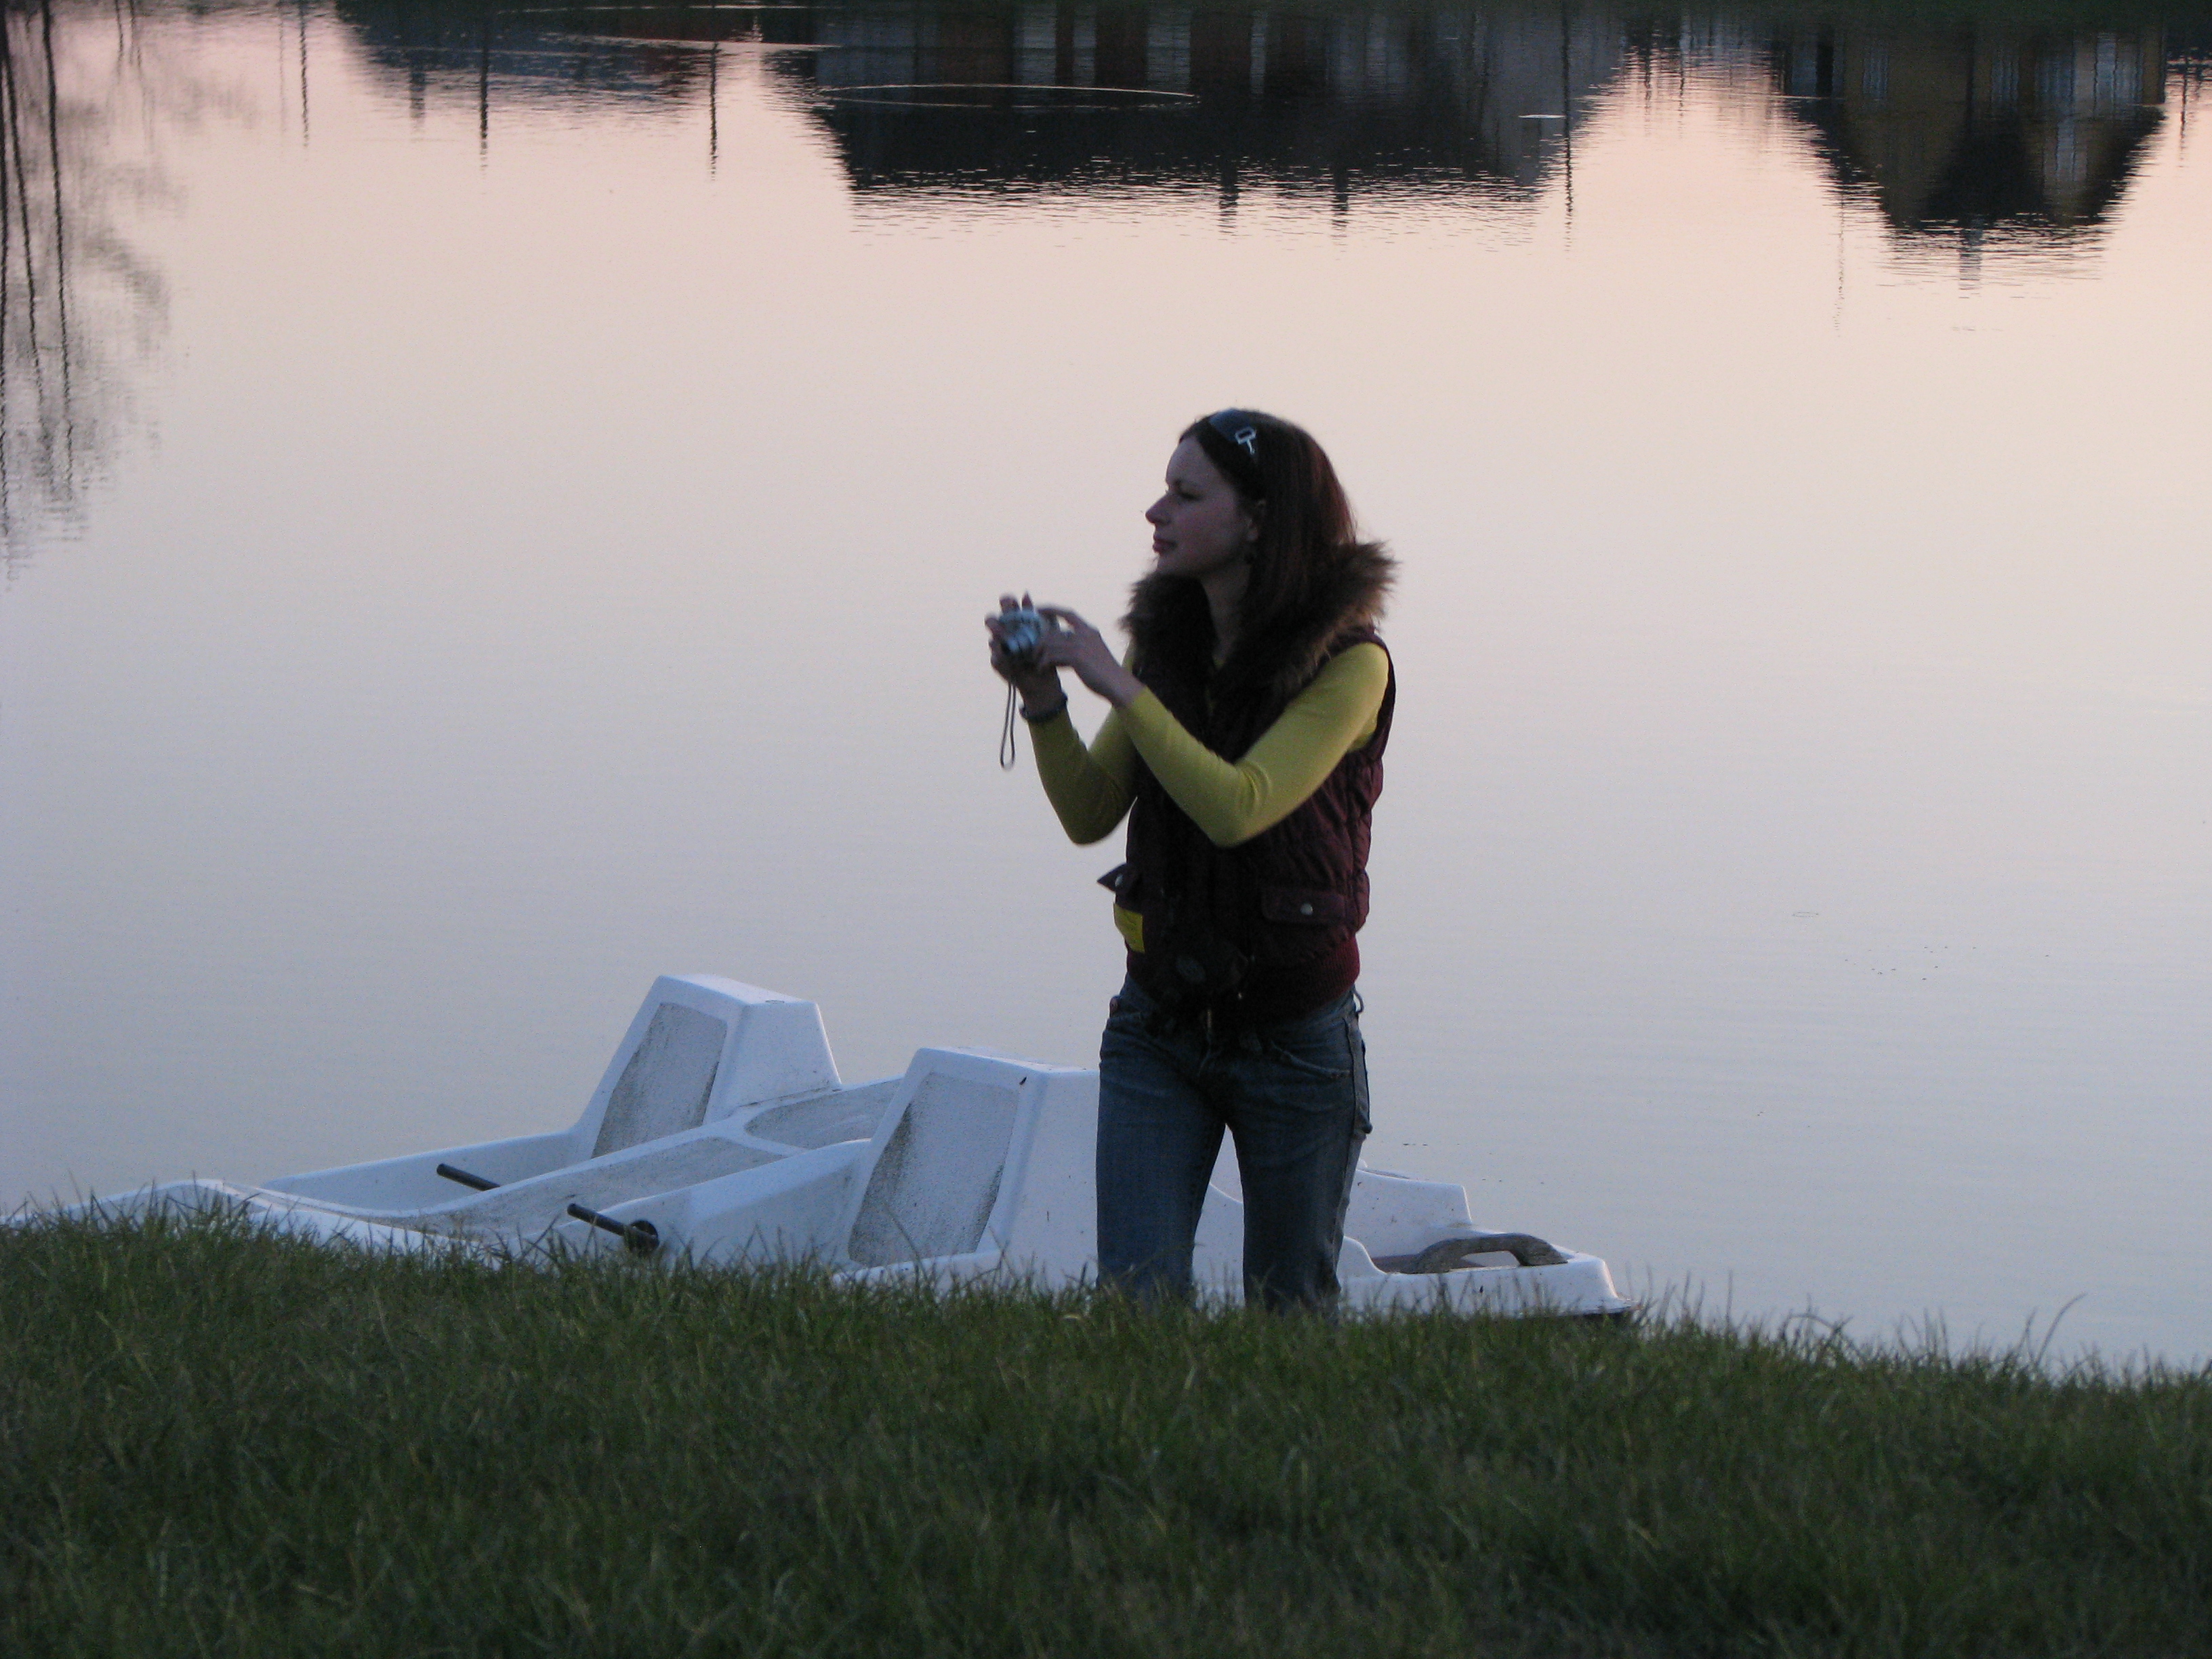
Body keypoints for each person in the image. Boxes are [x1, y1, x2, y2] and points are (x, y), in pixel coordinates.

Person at [987, 409, 1395, 1311]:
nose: (1155, 512)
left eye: (1185, 494)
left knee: (1288, 1314)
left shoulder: (1351, 666)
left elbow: (1237, 809)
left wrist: (1120, 685)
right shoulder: (1165, 642)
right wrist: (1047, 703)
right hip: (1158, 1026)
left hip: (1294, 1039)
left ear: (1257, 519)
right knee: (1136, 1308)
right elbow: (1090, 812)